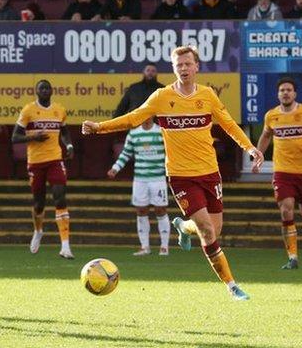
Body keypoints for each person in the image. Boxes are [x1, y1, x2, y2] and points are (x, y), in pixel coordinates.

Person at [82, 46, 264, 300]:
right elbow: (132, 118)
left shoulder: (208, 96)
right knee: (208, 232)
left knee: (214, 229)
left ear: (197, 67)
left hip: (209, 173)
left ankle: (183, 226)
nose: (183, 68)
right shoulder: (161, 97)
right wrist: (99, 127)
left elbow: (229, 124)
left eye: (188, 64)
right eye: (178, 65)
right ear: (174, 68)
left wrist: (250, 148)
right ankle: (232, 286)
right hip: (180, 175)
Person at [253, 77, 302, 269]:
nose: (285, 93)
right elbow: (265, 136)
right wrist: (258, 156)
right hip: (282, 172)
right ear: (278, 94)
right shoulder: (271, 116)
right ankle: (293, 258)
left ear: (295, 93)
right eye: (282, 90)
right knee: (286, 209)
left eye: (289, 90)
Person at [12, 80, 75, 259]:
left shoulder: (59, 110)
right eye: (42, 88)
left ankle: (65, 246)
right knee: (39, 203)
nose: (45, 91)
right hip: (35, 162)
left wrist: (69, 145)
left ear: (52, 91)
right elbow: (15, 137)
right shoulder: (28, 110)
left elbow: (64, 132)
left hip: (55, 159)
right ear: (37, 92)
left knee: (60, 196)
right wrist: (33, 136)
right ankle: (38, 230)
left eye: (47, 88)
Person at [108, 117, 169, 256]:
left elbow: (170, 152)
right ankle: (144, 247)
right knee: (141, 211)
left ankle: (164, 247)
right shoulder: (134, 133)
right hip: (140, 179)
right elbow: (126, 153)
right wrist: (115, 168)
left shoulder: (161, 132)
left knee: (160, 210)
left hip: (158, 178)